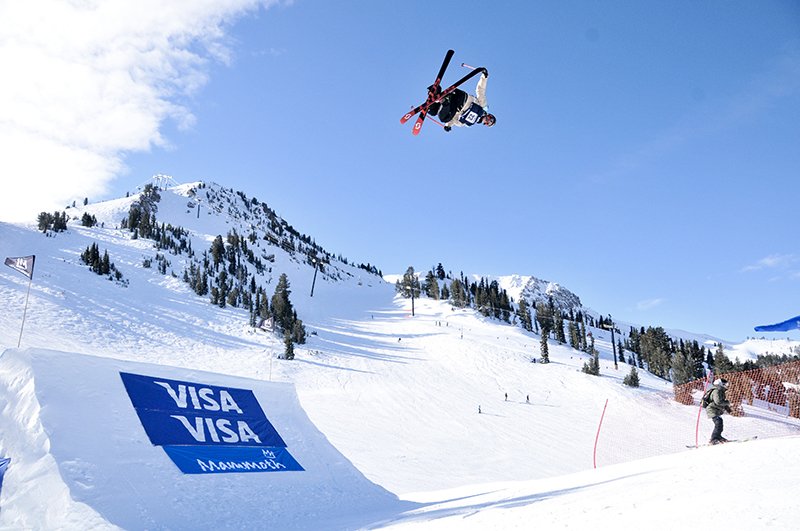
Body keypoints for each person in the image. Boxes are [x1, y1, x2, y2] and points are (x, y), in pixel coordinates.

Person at [428, 70, 496, 131]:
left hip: (452, 106)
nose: (488, 120)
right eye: (490, 119)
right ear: (489, 115)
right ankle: (444, 100)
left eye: (489, 123)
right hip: (460, 98)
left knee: (434, 112)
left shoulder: (470, 123)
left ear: (485, 124)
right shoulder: (483, 106)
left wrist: (448, 125)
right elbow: (480, 90)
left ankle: (434, 96)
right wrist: (484, 77)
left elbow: (454, 120)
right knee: (444, 118)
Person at [706, 378, 732, 444]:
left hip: (715, 409)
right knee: (718, 422)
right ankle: (714, 438)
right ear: (720, 384)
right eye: (725, 384)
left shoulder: (720, 391)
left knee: (719, 422)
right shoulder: (716, 391)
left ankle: (718, 436)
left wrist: (728, 409)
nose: (726, 385)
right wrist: (727, 402)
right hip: (712, 409)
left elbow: (721, 402)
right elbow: (718, 402)